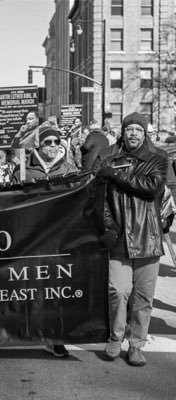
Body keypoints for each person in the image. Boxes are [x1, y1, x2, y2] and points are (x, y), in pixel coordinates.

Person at [94, 112, 168, 367]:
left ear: (145, 133)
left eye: (138, 129)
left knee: (143, 298)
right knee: (118, 290)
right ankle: (115, 337)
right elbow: (100, 198)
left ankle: (136, 344)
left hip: (147, 236)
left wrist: (116, 175)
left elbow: (151, 187)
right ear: (122, 133)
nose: (133, 133)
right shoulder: (108, 158)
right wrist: (108, 226)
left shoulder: (157, 159)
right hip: (118, 239)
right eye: (129, 129)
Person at [13, 126, 78, 182]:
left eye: (57, 142)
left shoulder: (70, 170)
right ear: (38, 145)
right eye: (48, 142)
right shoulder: (21, 171)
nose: (53, 145)